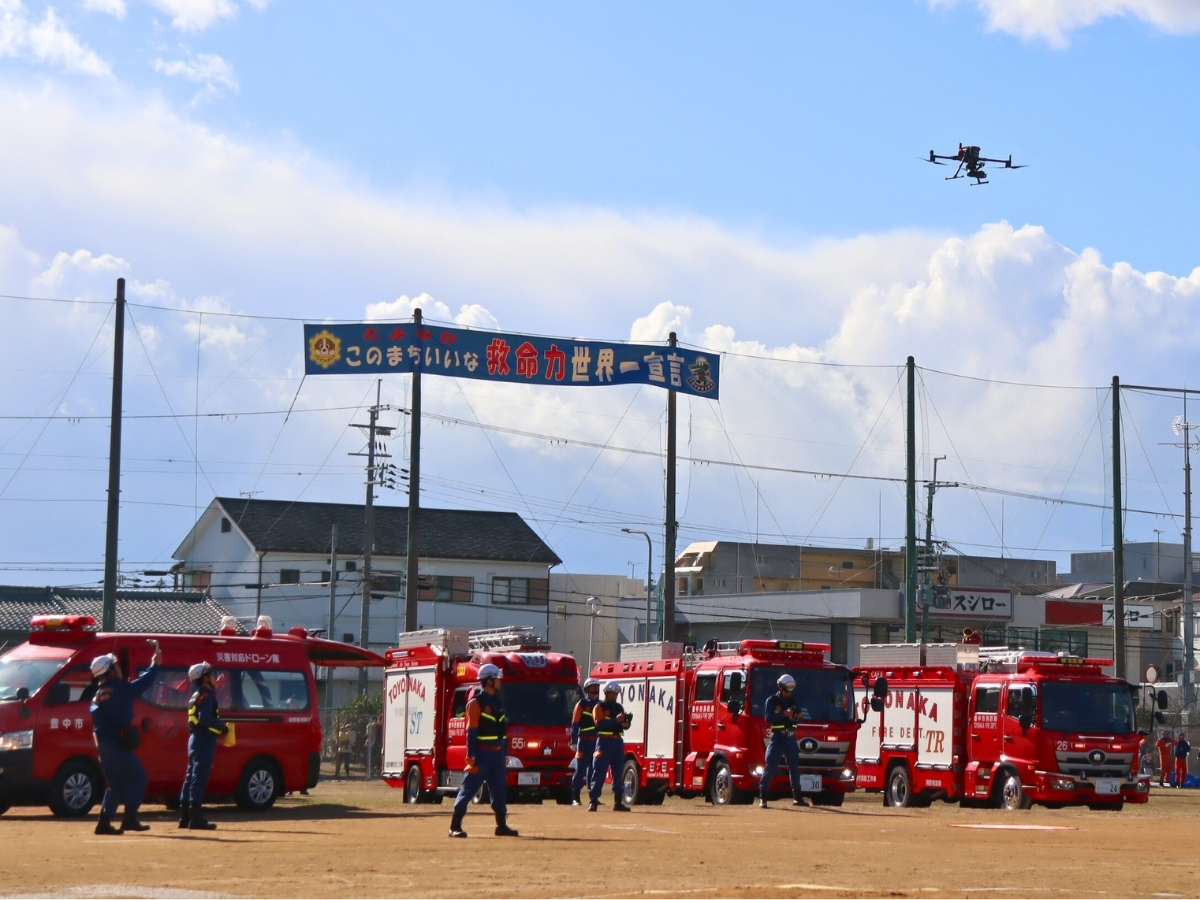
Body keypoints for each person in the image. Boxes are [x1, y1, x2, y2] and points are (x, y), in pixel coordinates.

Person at [89, 639, 161, 835]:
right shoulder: (119, 690)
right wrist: (155, 663)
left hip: (104, 745)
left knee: (116, 784)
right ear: (111, 671)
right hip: (116, 744)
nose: (120, 669)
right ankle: (129, 819)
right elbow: (144, 683)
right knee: (139, 777)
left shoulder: (98, 694)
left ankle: (103, 823)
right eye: (116, 666)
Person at [449, 663, 519, 838]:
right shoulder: (476, 703)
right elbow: (471, 732)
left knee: (499, 790)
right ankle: (455, 826)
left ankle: (501, 825)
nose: (500, 681)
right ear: (488, 681)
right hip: (482, 753)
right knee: (469, 789)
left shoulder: (498, 701)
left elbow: (503, 731)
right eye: (497, 678)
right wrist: (470, 756)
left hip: (497, 753)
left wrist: (505, 753)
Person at [179, 662, 228, 830]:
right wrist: (222, 726)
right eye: (211, 674)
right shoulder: (207, 695)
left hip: (195, 738)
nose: (214, 676)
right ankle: (196, 818)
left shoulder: (197, 694)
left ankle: (185, 817)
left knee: (190, 777)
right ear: (205, 678)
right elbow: (205, 718)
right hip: (204, 739)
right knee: (199, 778)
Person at [759, 673, 807, 809]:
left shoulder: (794, 700)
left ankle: (797, 797)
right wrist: (783, 714)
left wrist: (799, 716)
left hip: (790, 737)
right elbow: (768, 718)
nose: (788, 693)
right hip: (778, 737)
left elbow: (798, 718)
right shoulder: (772, 700)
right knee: (771, 766)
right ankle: (763, 798)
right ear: (780, 688)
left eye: (791, 690)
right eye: (786, 690)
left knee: (794, 767)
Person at [588, 681, 632, 813]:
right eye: (612, 693)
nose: (615, 695)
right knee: (599, 771)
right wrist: (616, 720)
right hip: (604, 741)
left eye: (616, 693)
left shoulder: (619, 707)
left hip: (617, 741)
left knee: (618, 771)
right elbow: (599, 724)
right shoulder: (599, 707)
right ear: (606, 692)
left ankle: (618, 802)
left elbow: (623, 724)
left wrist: (625, 724)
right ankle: (593, 801)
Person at [569, 678, 601, 805]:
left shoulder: (600, 705)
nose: (595, 689)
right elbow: (575, 723)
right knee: (580, 769)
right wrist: (573, 741)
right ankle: (575, 797)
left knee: (594, 769)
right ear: (587, 689)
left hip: (597, 742)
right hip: (584, 741)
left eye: (596, 687)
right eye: (592, 687)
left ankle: (593, 797)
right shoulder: (581, 704)